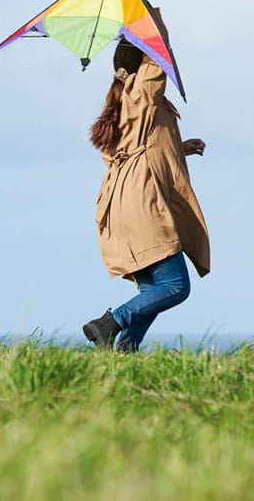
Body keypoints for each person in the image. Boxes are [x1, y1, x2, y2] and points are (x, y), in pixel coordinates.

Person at [82, 22, 210, 351]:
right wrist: (150, 20)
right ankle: (109, 324)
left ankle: (123, 351)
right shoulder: (140, 92)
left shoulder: (124, 100)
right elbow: (157, 60)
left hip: (120, 203)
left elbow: (140, 146)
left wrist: (181, 147)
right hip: (142, 202)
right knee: (175, 286)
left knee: (153, 288)